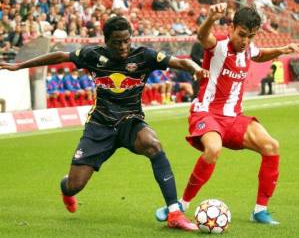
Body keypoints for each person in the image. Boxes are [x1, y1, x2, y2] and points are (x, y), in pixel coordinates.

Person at [0, 16, 209, 231]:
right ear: (106, 41)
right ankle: (66, 189)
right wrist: (20, 65)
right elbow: (61, 55)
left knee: (153, 144)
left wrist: (195, 69)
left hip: (130, 121)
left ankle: (174, 212)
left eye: (126, 40)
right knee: (75, 185)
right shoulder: (93, 55)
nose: (123, 46)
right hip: (99, 125)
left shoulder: (144, 56)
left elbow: (181, 62)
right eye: (117, 42)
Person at [155, 3, 299, 225]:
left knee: (272, 146)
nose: (245, 41)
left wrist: (280, 50)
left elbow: (259, 54)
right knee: (213, 148)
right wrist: (211, 18)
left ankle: (260, 211)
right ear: (231, 28)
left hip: (234, 117)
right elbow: (203, 36)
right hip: (207, 113)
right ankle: (180, 206)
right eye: (242, 35)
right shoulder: (218, 45)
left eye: (251, 36)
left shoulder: (249, 48)